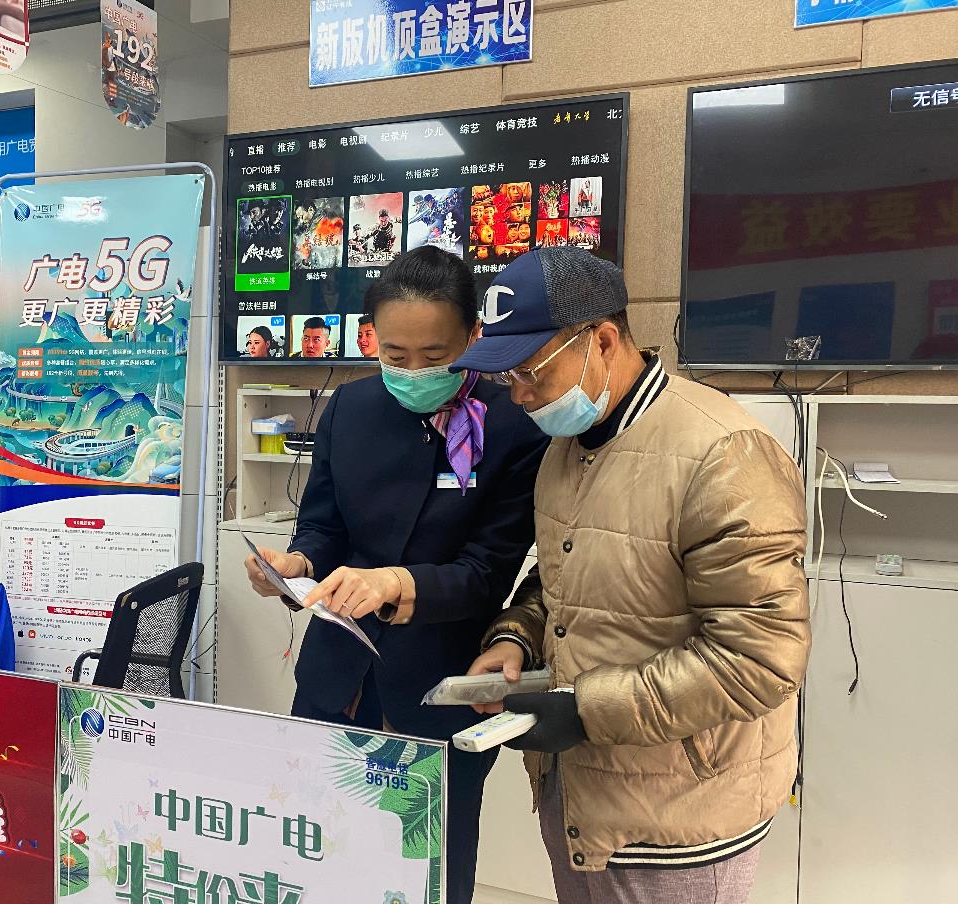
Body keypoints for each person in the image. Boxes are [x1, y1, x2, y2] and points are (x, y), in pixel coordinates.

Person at [454, 247, 811, 904]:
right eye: (507, 376)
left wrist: (585, 710)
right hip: (583, 794)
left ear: (602, 340)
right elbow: (563, 575)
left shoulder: (721, 454)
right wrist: (515, 638)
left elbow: (759, 659)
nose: (520, 395)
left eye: (531, 371)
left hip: (683, 812)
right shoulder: (565, 447)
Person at [244, 246, 548, 904]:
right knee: (318, 848)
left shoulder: (514, 425)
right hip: (338, 676)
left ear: (473, 335)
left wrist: (395, 584)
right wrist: (296, 564)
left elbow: (485, 573)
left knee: (429, 866)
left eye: (434, 356)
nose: (412, 372)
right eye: (394, 354)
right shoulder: (349, 408)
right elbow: (323, 526)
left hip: (440, 684)